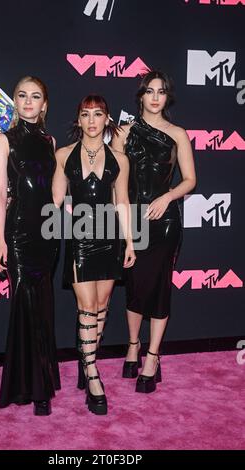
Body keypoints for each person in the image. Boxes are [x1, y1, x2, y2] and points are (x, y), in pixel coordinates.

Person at [112, 70, 196, 393]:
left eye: (161, 91)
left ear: (167, 97)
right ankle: (133, 345)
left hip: (164, 220)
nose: (156, 97)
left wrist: (167, 196)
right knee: (134, 286)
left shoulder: (178, 134)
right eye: (150, 91)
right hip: (131, 219)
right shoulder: (124, 132)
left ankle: (152, 356)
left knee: (160, 289)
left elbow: (190, 179)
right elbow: (117, 180)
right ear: (141, 96)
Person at [52, 94, 135, 415]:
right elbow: (56, 199)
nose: (91, 120)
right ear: (78, 120)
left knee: (101, 306)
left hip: (110, 238)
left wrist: (129, 242)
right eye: (85, 114)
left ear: (107, 119)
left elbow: (123, 203)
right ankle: (92, 373)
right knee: (86, 306)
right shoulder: (63, 155)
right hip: (80, 239)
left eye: (97, 114)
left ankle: (86, 359)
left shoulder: (120, 159)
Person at [0, 76, 60, 415]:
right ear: (15, 102)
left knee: (44, 307)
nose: (29, 101)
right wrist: (0, 239)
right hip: (18, 233)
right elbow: (0, 192)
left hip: (48, 233)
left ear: (44, 105)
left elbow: (55, 191)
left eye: (36, 97)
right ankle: (32, 388)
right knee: (26, 306)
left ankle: (42, 380)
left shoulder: (50, 140)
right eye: (22, 96)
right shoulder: (4, 140)